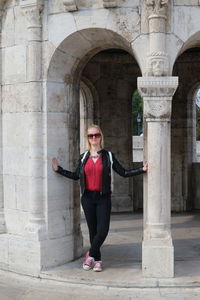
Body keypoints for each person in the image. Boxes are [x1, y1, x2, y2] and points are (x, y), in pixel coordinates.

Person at [52, 124, 148, 272]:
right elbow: (76, 176)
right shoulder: (83, 157)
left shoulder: (108, 156)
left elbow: (123, 172)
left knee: (102, 230)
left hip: (103, 198)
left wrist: (141, 169)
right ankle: (97, 260)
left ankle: (89, 254)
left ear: (101, 136)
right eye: (91, 136)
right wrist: (59, 170)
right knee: (93, 231)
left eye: (96, 135)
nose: (94, 138)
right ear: (88, 139)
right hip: (88, 198)